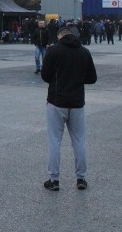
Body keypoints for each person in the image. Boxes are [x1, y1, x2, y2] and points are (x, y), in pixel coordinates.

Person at [41, 26, 98, 191]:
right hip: (77, 102)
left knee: (54, 141)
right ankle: (81, 178)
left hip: (56, 102)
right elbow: (92, 78)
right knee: (79, 141)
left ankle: (54, 179)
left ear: (59, 36)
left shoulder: (53, 51)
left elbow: (45, 76)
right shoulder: (84, 52)